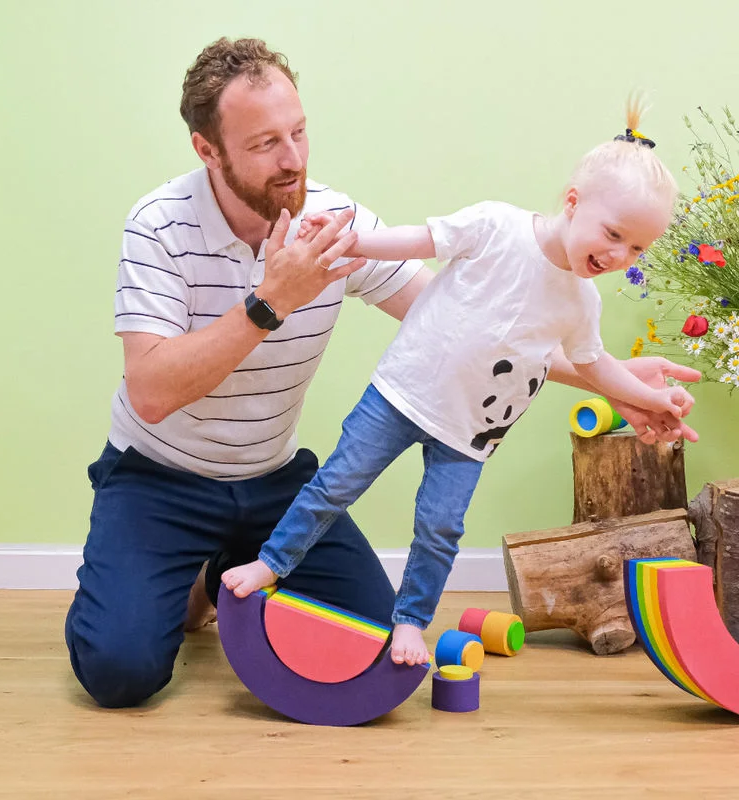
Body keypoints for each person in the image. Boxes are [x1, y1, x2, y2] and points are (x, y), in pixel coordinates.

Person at [66, 37, 699, 708]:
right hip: (161, 478)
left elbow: (464, 326)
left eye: (300, 132)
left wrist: (611, 379)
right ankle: (190, 571)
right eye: (264, 144)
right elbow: (152, 393)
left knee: (372, 639)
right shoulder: (159, 226)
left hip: (273, 478)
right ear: (207, 149)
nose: (293, 159)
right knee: (120, 672)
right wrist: (270, 301)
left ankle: (226, 560)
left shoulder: (331, 220)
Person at [221, 110, 699, 666]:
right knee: (335, 485)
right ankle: (272, 562)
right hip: (399, 397)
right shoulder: (497, 226)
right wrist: (355, 243)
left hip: (468, 436)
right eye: (613, 234)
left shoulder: (580, 302)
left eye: (637, 249)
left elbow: (594, 366)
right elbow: (422, 239)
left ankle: (410, 621)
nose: (618, 256)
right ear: (573, 202)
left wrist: (650, 398)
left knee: (440, 526)